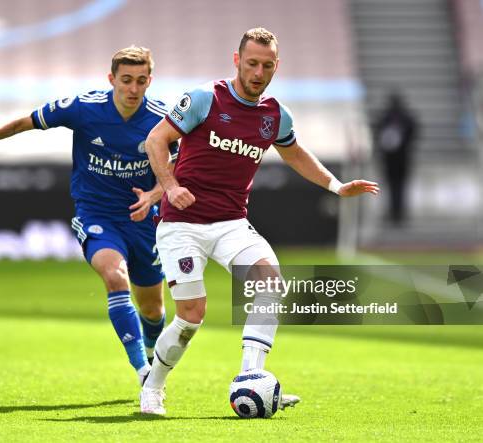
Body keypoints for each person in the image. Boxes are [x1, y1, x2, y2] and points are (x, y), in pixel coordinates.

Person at [140, 28, 379, 415]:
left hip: (232, 223)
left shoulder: (274, 115)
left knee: (271, 284)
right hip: (182, 224)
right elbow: (156, 139)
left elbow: (295, 153)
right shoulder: (204, 98)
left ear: (276, 67)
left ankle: (251, 380)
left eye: (267, 65)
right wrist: (168, 185)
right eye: (251, 63)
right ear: (237, 61)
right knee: (191, 316)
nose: (258, 72)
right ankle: (153, 386)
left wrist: (336, 186)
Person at [0, 46, 177, 385]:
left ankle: (150, 355)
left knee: (153, 309)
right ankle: (144, 371)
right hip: (96, 213)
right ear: (111, 79)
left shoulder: (163, 120)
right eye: (126, 80)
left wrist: (154, 194)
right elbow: (27, 122)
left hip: (143, 219)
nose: (133, 89)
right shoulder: (84, 108)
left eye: (141, 81)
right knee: (115, 276)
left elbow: (180, 167)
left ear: (150, 80)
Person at [373, 91, 418, 225]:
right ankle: (399, 213)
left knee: (392, 186)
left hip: (390, 159)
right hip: (402, 158)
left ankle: (394, 212)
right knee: (400, 186)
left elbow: (377, 133)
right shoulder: (405, 118)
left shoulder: (385, 118)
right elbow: (414, 132)